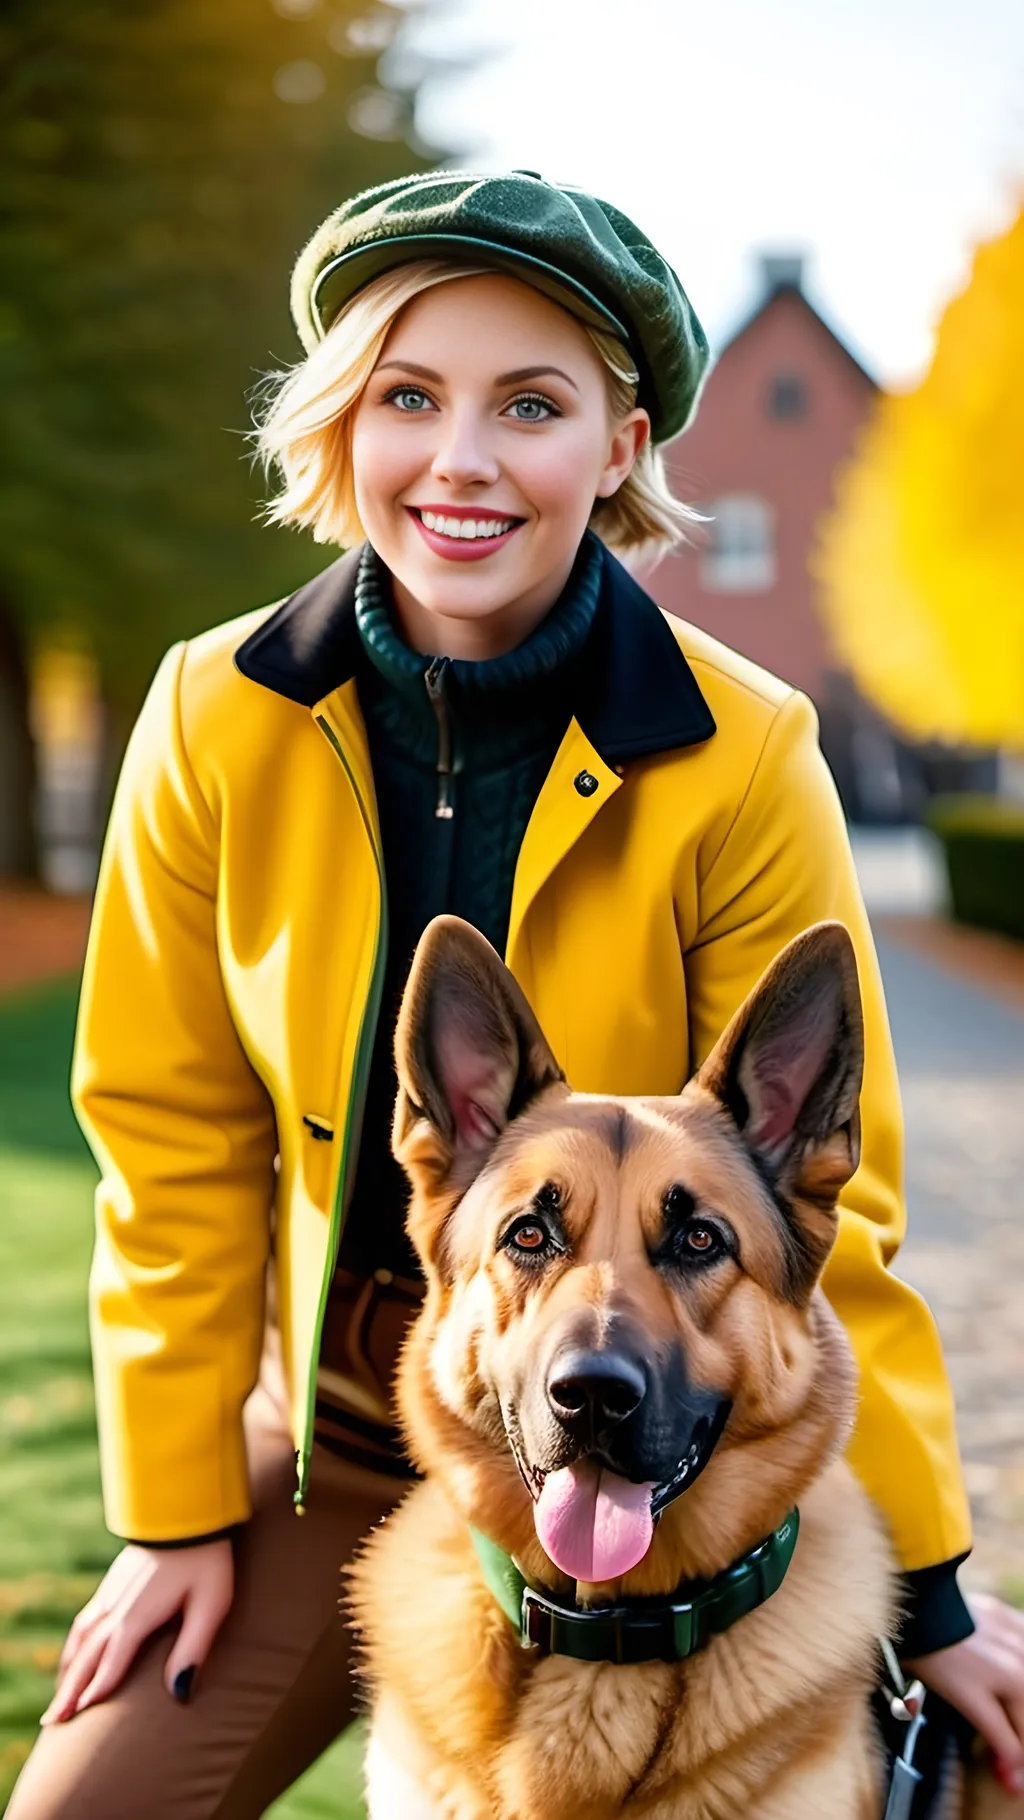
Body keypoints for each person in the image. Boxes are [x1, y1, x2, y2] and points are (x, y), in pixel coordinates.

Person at [9, 171, 1024, 1819]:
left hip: (642, 1442)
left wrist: (934, 1596)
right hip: (338, 1446)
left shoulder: (746, 748)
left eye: (531, 405)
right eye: (408, 397)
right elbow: (168, 1139)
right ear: (342, 426)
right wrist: (173, 1511)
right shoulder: (210, 713)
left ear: (618, 450)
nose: (462, 459)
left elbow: (832, 1203)